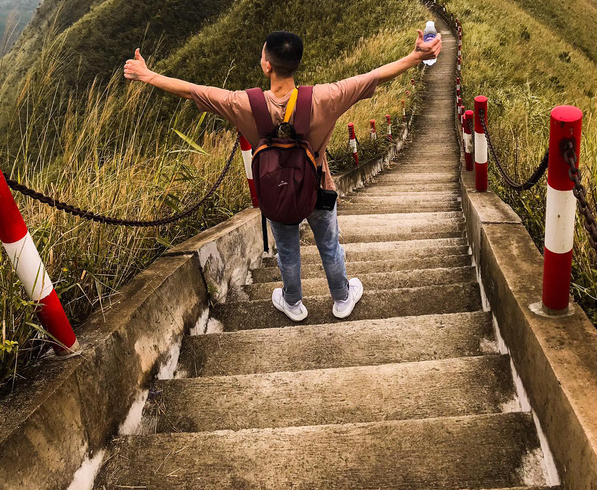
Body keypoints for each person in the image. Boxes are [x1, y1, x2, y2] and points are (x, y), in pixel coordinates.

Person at [123, 29, 442, 322]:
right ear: (296, 65)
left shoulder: (244, 104)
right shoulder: (325, 98)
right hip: (317, 189)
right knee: (329, 245)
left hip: (276, 194)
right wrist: (417, 56)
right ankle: (342, 299)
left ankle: (293, 302)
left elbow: (193, 92)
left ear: (267, 66)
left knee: (287, 249)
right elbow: (375, 76)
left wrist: (147, 75)